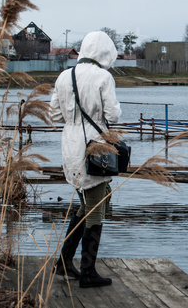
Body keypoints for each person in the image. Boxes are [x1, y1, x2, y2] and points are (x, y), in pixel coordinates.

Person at [50, 31, 121, 288]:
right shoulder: (104, 77)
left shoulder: (64, 76)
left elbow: (55, 116)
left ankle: (64, 262)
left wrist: (74, 119)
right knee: (96, 210)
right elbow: (114, 114)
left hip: (70, 147)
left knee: (84, 204)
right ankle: (88, 271)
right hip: (95, 148)